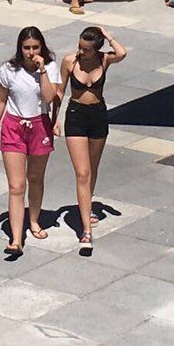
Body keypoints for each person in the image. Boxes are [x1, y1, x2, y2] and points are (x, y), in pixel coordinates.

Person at [0, 27, 62, 257]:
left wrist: (42, 70)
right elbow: (1, 100)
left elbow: (50, 98)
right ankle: (16, 238)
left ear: (42, 48)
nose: (31, 52)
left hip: (39, 124)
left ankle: (34, 220)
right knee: (16, 185)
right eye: (26, 48)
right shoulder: (9, 70)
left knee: (35, 178)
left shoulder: (50, 67)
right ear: (20, 48)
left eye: (35, 47)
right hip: (13, 127)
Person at [55, 27, 127, 253]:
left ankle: (88, 206)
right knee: (82, 172)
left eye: (86, 49)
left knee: (92, 169)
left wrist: (108, 36)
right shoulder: (69, 61)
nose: (81, 52)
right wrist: (53, 119)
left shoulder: (105, 59)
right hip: (76, 116)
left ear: (96, 50)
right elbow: (60, 92)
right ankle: (86, 230)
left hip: (98, 116)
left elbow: (122, 53)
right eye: (80, 47)